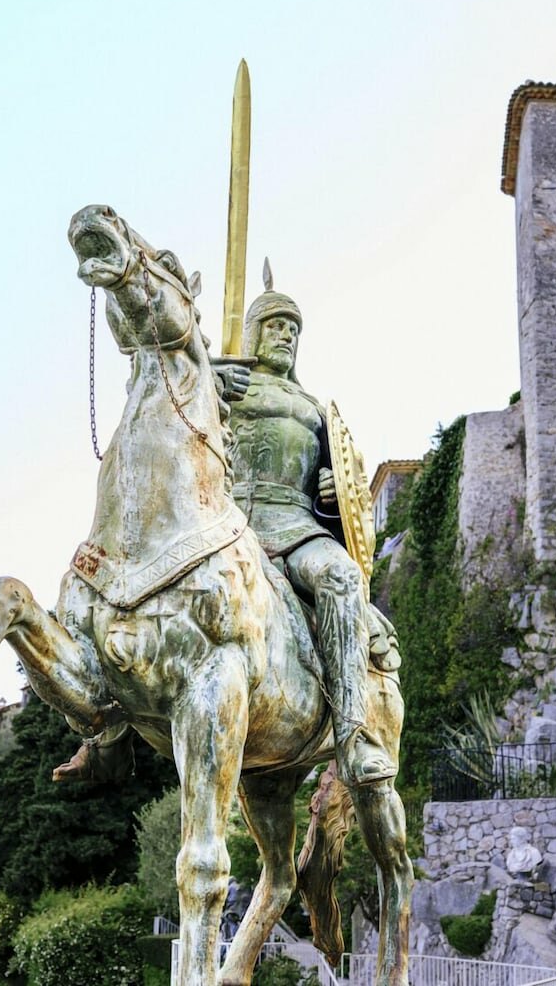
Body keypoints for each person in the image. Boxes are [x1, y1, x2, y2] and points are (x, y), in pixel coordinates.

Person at [54, 274, 396, 788]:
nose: (286, 337)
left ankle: (352, 732)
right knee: (123, 580)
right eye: (276, 326)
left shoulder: (314, 409)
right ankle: (102, 730)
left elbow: (346, 489)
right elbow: (156, 390)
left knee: (342, 580)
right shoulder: (218, 383)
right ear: (254, 331)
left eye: (293, 330)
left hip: (296, 529)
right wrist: (211, 374)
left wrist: (331, 490)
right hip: (219, 525)